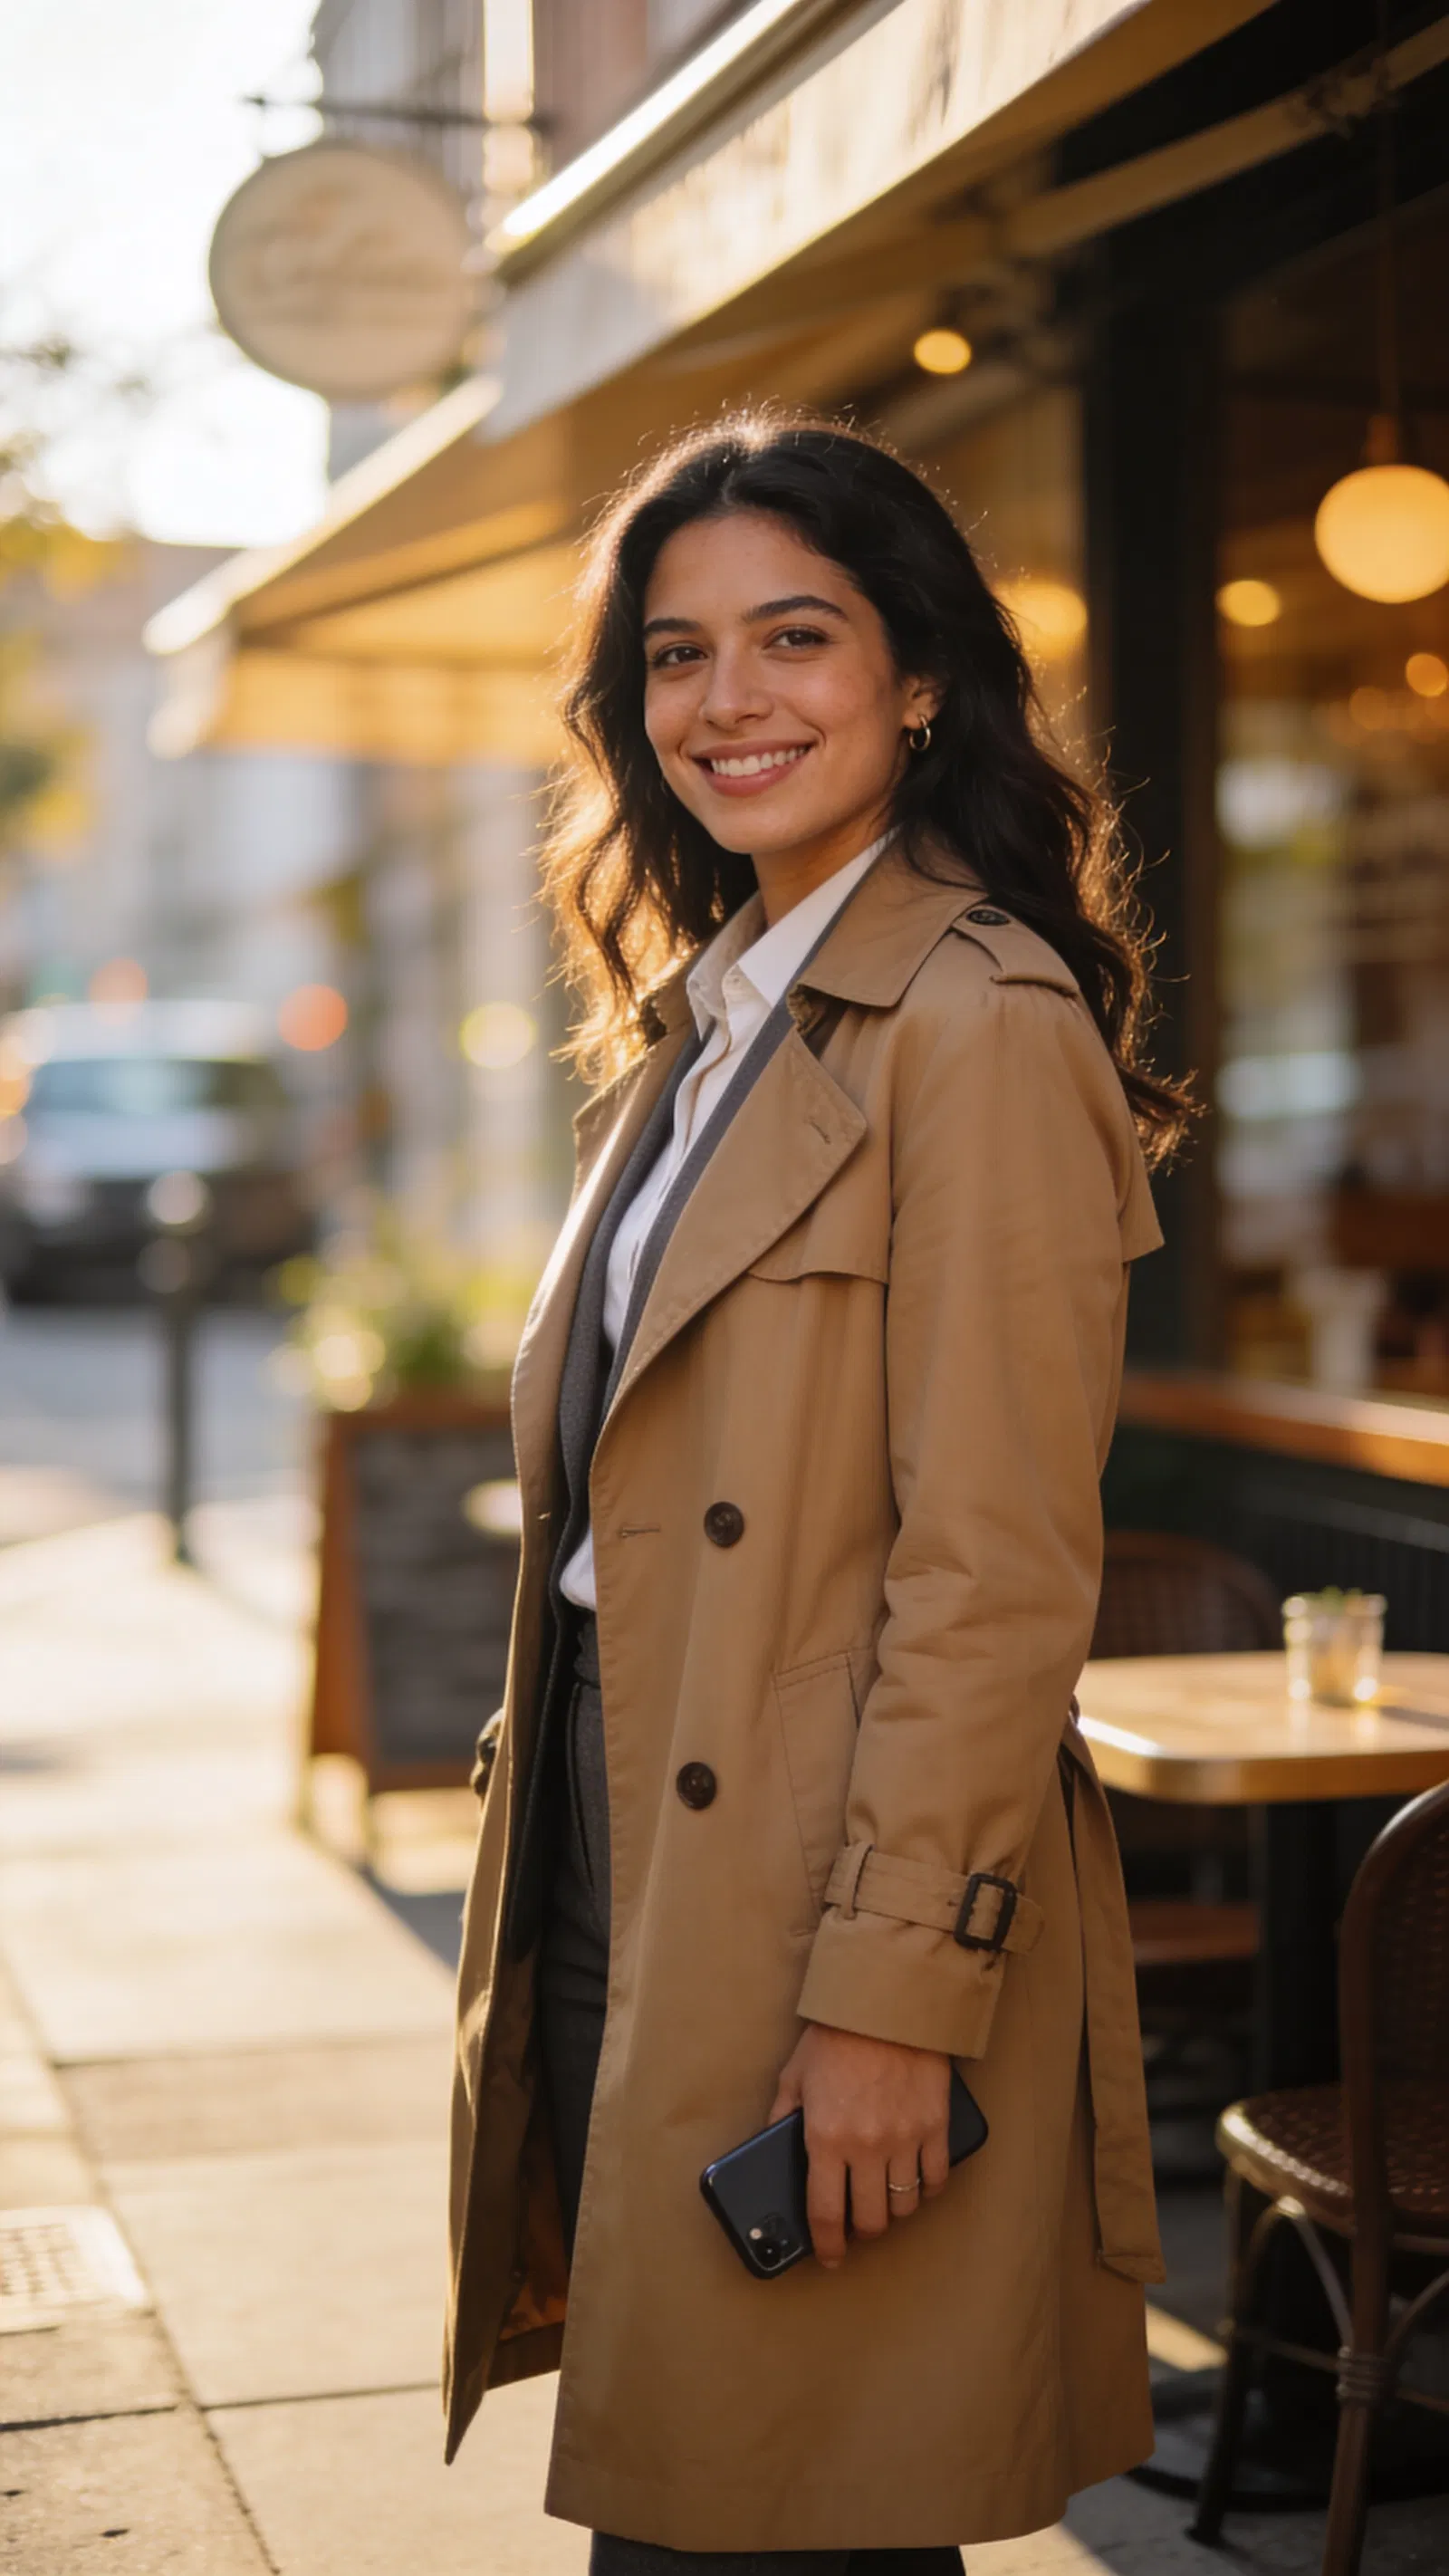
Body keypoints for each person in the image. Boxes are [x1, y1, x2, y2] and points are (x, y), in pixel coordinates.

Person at [445, 414, 1187, 2573]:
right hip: (624, 1819)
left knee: (786, 2501)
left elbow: (993, 1570)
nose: (727, 700)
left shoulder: (972, 1016)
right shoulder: (705, 1023)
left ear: (918, 674)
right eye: (674, 657)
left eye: (794, 635)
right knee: (721, 2494)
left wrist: (893, 1992)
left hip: (817, 1880)